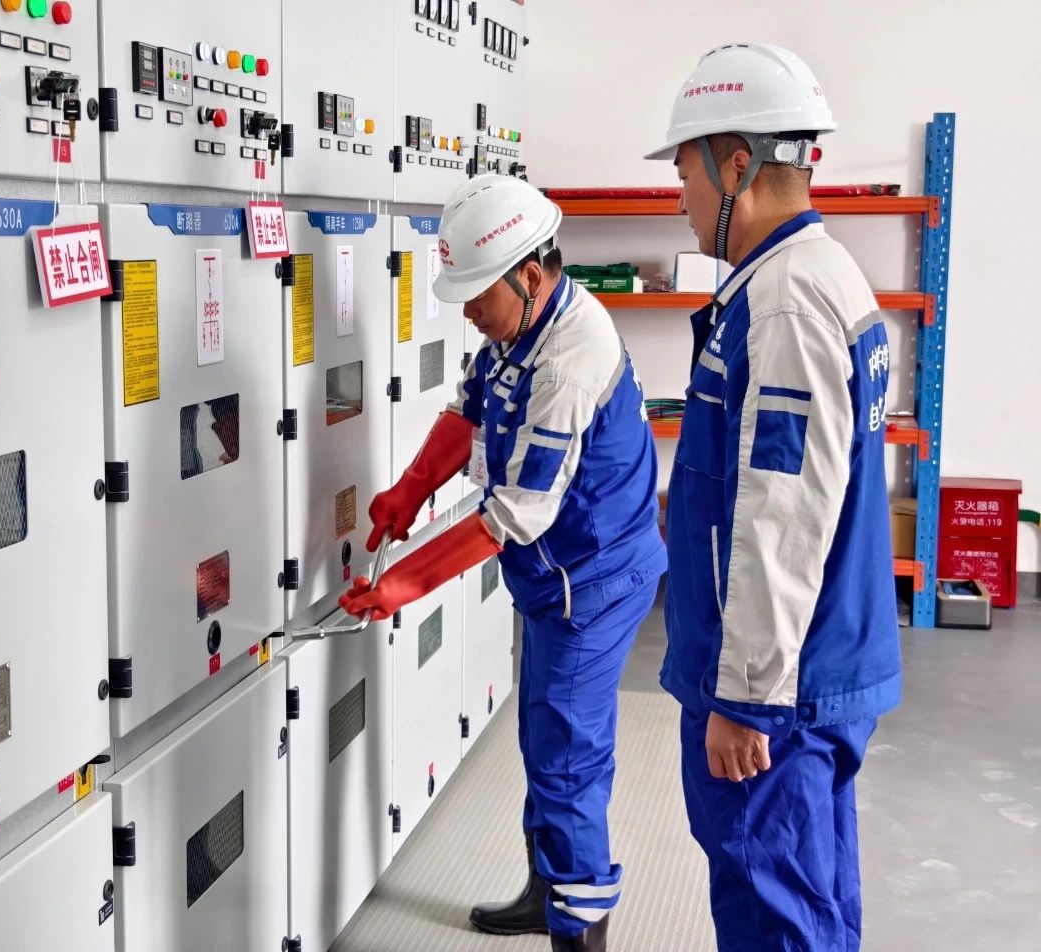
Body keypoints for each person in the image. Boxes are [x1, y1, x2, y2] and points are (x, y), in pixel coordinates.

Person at [338, 174, 666, 951]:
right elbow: (469, 412)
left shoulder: (571, 358)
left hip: (592, 582)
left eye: (477, 294)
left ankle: (577, 932)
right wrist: (408, 492)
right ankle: (546, 893)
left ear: (529, 274)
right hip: (555, 575)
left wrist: (402, 583)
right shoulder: (520, 331)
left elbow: (514, 516)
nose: (468, 312)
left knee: (567, 762)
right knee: (542, 738)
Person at [645, 43, 902, 951]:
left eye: (685, 172)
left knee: (773, 908)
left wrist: (746, 700)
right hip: (815, 666)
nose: (681, 196)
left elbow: (785, 515)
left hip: (780, 692)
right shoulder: (815, 275)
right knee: (812, 899)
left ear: (736, 165)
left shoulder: (786, 303)